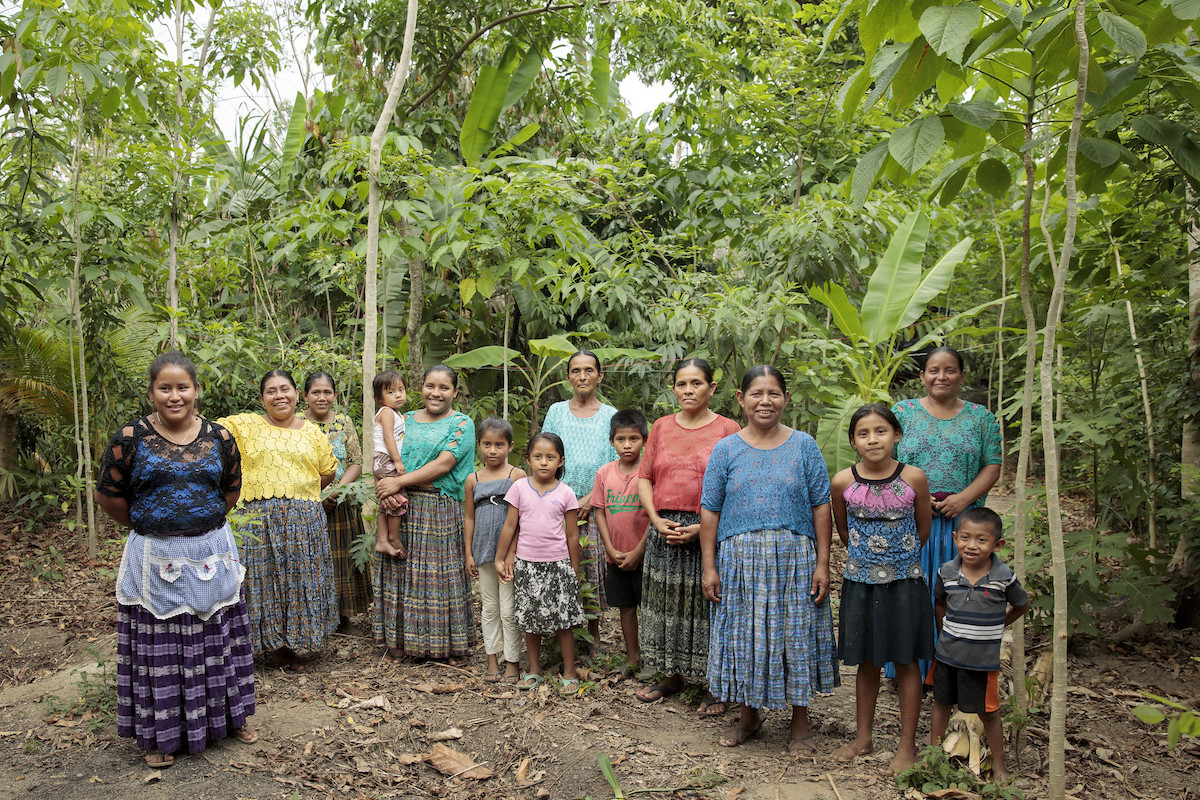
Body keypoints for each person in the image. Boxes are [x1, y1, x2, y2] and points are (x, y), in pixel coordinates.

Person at [95, 351, 256, 768]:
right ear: (151, 393)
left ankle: (228, 719)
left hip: (211, 551)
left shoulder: (219, 436)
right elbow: (109, 497)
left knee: (216, 636)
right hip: (155, 555)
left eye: (182, 387)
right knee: (161, 643)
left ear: (196, 391)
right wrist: (153, 525)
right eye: (164, 388)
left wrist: (198, 525)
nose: (174, 396)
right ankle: (161, 737)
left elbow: (231, 488)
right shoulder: (130, 438)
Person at [700, 365, 839, 752]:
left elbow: (821, 506)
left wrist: (823, 563)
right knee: (745, 637)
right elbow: (710, 510)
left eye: (774, 393)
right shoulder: (726, 449)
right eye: (757, 394)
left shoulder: (804, 446)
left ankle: (800, 722)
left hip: (794, 560)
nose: (766, 401)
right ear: (741, 399)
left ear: (785, 399)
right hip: (739, 561)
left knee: (794, 636)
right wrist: (709, 566)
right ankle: (749, 716)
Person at [830, 403, 935, 775]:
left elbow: (923, 527)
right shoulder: (842, 482)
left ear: (896, 435)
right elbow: (844, 533)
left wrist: (897, 559)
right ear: (854, 442)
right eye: (863, 433)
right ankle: (864, 736)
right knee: (868, 661)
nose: (872, 439)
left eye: (880, 431)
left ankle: (906, 745)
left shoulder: (914, 478)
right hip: (860, 584)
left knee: (906, 661)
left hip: (906, 583)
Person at [890, 346, 1002, 679]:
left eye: (950, 370)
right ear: (922, 376)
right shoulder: (902, 412)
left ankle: (951, 669)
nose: (942, 376)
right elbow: (885, 458)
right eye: (934, 370)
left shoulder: (982, 418)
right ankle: (907, 669)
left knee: (956, 596)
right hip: (910, 522)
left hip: (962, 524)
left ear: (962, 376)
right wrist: (911, 499)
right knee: (910, 594)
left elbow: (991, 466)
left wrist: (963, 498)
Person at [636, 358, 740, 715]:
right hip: (664, 528)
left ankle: (717, 683)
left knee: (708, 605)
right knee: (667, 603)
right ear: (674, 388)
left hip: (707, 527)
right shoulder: (662, 427)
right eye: (682, 384)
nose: (688, 390)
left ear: (712, 388)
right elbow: (645, 477)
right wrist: (654, 519)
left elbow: (736, 487)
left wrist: (704, 528)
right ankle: (673, 674)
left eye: (696, 383)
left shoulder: (728, 429)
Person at [219, 370, 338, 669]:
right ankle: (257, 644)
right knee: (260, 581)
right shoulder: (243, 425)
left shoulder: (312, 432)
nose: (279, 395)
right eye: (271, 391)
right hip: (257, 520)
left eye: (285, 389)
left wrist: (298, 490)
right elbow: (208, 435)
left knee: (299, 580)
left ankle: (289, 644)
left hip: (303, 519)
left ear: (297, 393)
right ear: (261, 398)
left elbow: (328, 470)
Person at [373, 365, 476, 664]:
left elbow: (444, 464)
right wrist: (386, 485)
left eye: (444, 388)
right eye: (430, 386)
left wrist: (400, 481)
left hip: (438, 508)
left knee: (437, 579)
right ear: (421, 388)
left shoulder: (462, 423)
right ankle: (399, 642)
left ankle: (445, 646)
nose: (436, 393)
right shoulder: (404, 419)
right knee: (400, 574)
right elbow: (383, 450)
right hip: (400, 506)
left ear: (455, 392)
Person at [928, 507, 1029, 785]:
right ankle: (933, 756)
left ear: (997, 545)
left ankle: (999, 764)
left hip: (982, 660)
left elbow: (1022, 604)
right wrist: (943, 629)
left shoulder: (1003, 576)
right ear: (954, 538)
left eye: (981, 540)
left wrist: (999, 625)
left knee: (988, 712)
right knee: (941, 703)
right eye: (965, 538)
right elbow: (939, 602)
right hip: (947, 655)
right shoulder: (946, 572)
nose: (971, 546)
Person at [495, 432, 586, 693]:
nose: (543, 462)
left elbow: (571, 535)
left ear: (560, 461)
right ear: (528, 460)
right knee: (529, 621)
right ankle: (533, 670)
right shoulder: (519, 488)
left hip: (558, 566)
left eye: (550, 457)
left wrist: (574, 569)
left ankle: (569, 672)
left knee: (563, 622)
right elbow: (510, 525)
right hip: (527, 566)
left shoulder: (566, 493)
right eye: (538, 457)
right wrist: (500, 558)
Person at [541, 349, 616, 646]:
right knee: (558, 566)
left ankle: (594, 636)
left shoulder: (610, 415)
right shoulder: (556, 411)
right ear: (568, 376)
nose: (582, 376)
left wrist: (589, 499)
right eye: (576, 370)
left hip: (594, 507)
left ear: (600, 375)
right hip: (557, 505)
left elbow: (614, 465)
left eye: (589, 370)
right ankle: (559, 635)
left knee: (592, 566)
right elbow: (544, 453)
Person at [303, 371, 372, 632]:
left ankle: (344, 617)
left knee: (342, 559)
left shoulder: (343, 422)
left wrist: (337, 492)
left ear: (334, 394)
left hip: (342, 503)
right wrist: (318, 495)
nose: (322, 398)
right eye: (316, 392)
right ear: (305, 395)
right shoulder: (297, 423)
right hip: (308, 503)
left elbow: (355, 461)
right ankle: (316, 617)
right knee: (314, 559)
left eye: (327, 392)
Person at [463, 417, 526, 683]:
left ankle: (512, 660)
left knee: (508, 609)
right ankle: (492, 658)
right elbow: (469, 517)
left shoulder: (517, 476)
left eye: (499, 445)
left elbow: (522, 517)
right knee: (489, 608)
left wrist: (511, 553)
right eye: (487, 444)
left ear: (510, 446)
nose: (492, 450)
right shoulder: (473, 479)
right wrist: (468, 553)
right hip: (483, 551)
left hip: (509, 555)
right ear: (478, 445)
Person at [592, 409, 651, 670]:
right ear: (611, 441)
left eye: (634, 439)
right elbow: (599, 510)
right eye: (621, 439)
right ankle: (633, 657)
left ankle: (654, 660)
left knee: (650, 610)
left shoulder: (650, 473)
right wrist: (609, 547)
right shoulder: (604, 473)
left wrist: (639, 550)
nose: (627, 445)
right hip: (615, 555)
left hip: (646, 555)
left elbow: (655, 516)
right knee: (625, 608)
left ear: (644, 440)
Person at [372, 369, 409, 557]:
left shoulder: (398, 414)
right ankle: (393, 537)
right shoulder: (387, 412)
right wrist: (398, 461)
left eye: (401, 390)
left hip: (381, 461)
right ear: (380, 397)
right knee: (396, 500)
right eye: (391, 392)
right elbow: (388, 438)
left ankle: (382, 540)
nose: (398, 395)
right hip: (386, 460)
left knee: (386, 501)